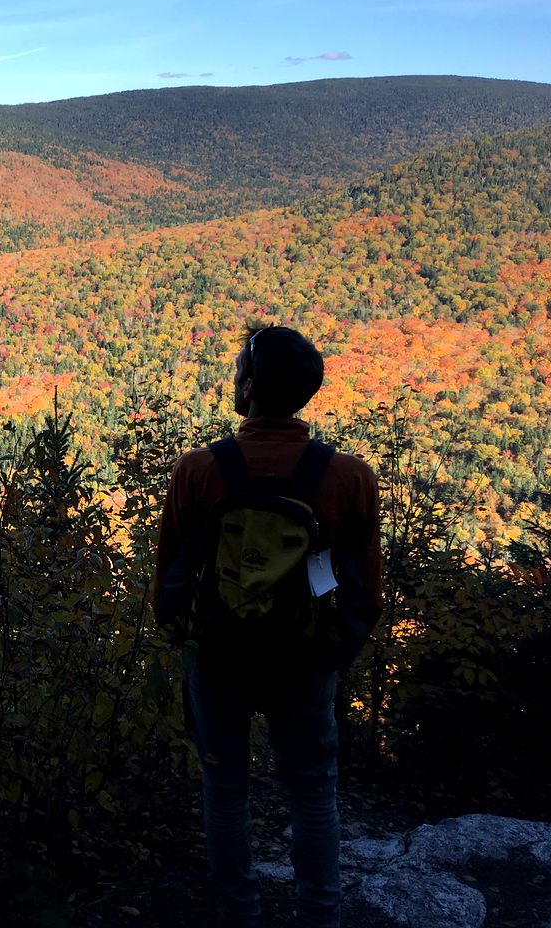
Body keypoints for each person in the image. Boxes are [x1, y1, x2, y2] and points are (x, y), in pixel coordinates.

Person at [153, 324, 382, 928]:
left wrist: (182, 636)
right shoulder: (350, 478)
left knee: (225, 789)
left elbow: (171, 570)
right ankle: (320, 917)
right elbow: (363, 589)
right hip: (303, 659)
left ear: (250, 387)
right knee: (312, 792)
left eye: (237, 368)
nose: (232, 376)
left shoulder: (200, 470)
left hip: (220, 653)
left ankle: (238, 914)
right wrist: (336, 652)